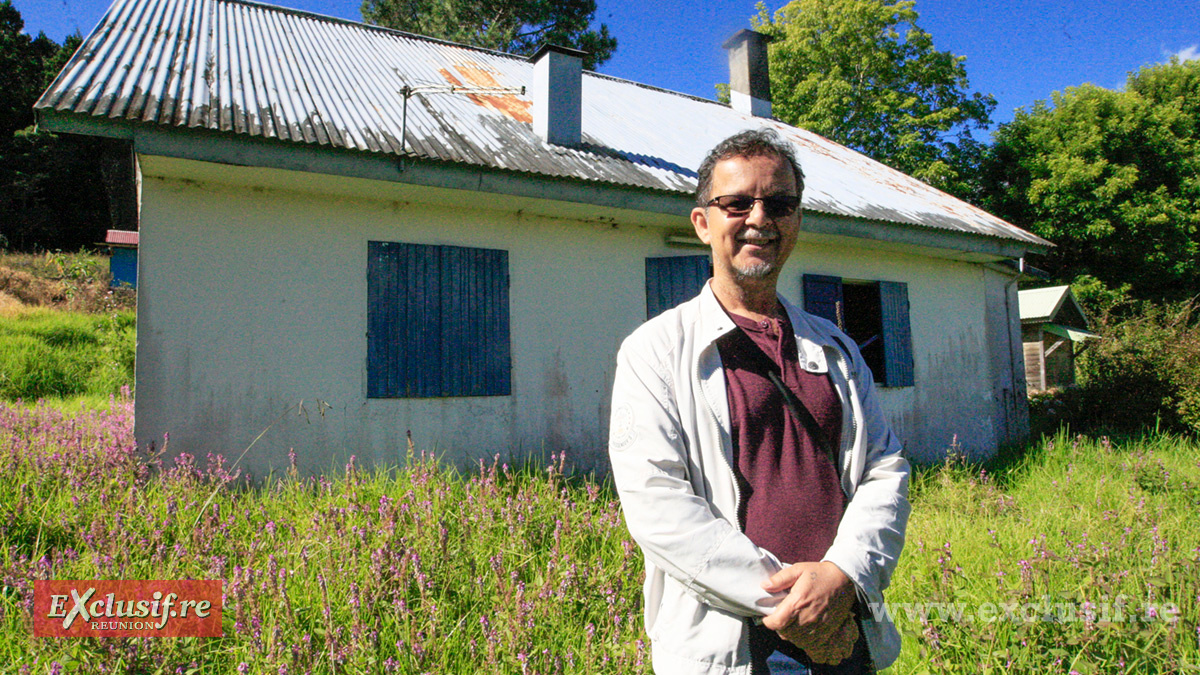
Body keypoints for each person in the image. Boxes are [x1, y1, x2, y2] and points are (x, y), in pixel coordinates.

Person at [607, 128, 910, 674]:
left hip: (846, 625)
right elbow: (658, 506)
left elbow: (884, 470)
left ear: (796, 221)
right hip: (734, 645)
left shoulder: (837, 348)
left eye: (779, 204)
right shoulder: (654, 351)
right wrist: (796, 610)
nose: (759, 219)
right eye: (737, 203)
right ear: (703, 223)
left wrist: (842, 576)